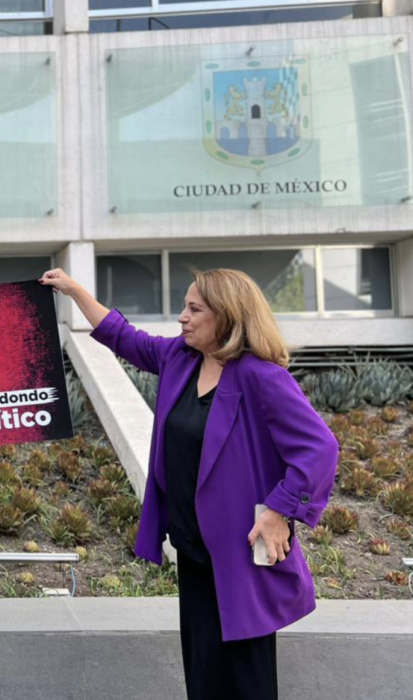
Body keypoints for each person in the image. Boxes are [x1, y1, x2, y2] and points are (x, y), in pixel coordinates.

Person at [40, 267, 337, 700]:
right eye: (185, 307)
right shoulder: (179, 358)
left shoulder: (261, 377)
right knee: (203, 675)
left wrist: (280, 511)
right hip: (193, 548)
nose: (182, 317)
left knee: (245, 679)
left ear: (227, 317)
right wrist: (73, 290)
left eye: (194, 309)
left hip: (239, 553)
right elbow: (122, 336)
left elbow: (320, 449)